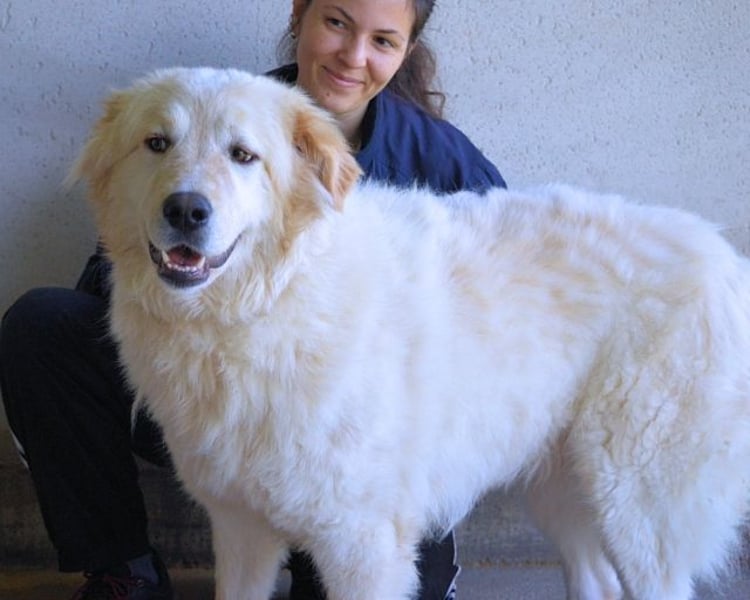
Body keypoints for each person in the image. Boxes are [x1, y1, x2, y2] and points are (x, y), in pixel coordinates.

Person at [0, 0, 506, 598]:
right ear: (299, 16)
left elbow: (498, 309)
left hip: (362, 449)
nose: (353, 56)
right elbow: (114, 271)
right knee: (44, 327)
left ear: (406, 52)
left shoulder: (439, 158)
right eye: (337, 23)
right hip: (201, 405)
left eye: (382, 41)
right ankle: (122, 568)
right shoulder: (214, 107)